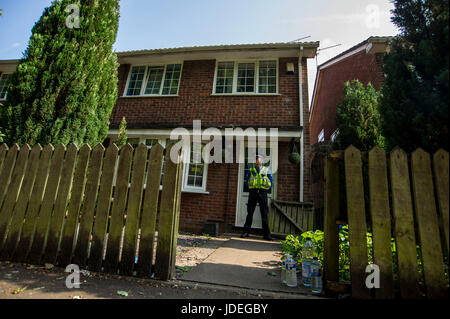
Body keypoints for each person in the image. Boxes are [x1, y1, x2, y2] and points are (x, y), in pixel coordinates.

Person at [241, 154, 273, 241]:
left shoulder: (267, 170)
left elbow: (271, 182)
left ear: (262, 161)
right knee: (250, 212)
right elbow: (247, 181)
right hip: (253, 193)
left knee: (264, 213)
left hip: (263, 193)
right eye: (256, 159)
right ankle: (246, 232)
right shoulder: (251, 170)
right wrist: (251, 189)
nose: (257, 160)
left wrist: (265, 189)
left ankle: (266, 235)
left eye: (259, 159)